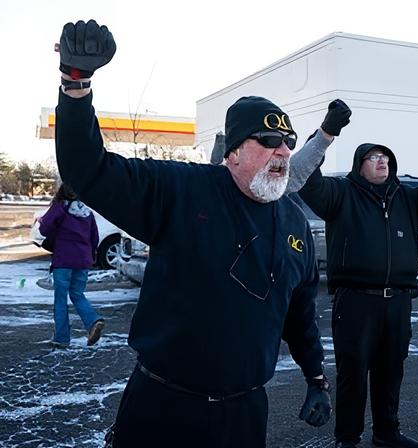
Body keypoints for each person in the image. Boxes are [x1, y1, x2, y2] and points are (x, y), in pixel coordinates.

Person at [54, 20, 351, 446]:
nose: (284, 150)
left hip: (243, 412)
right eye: (269, 140)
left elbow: (299, 314)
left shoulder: (293, 224)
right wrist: (76, 84)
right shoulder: (181, 191)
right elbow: (89, 170)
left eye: (287, 141)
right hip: (162, 408)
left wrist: (317, 378)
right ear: (231, 153)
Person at [299, 144, 418, 447]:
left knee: (390, 371)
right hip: (356, 300)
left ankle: (386, 432)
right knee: (353, 373)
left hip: (397, 301)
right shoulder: (341, 194)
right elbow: (309, 181)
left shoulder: (405, 196)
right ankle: (347, 438)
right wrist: (319, 142)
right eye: (374, 158)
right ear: (360, 165)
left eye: (385, 158)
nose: (381, 162)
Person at [38, 183, 105, 348]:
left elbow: (44, 229)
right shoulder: (86, 211)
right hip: (83, 261)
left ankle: (61, 337)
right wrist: (91, 256)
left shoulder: (60, 207)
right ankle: (93, 321)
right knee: (77, 294)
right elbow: (94, 238)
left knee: (60, 299)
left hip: (64, 260)